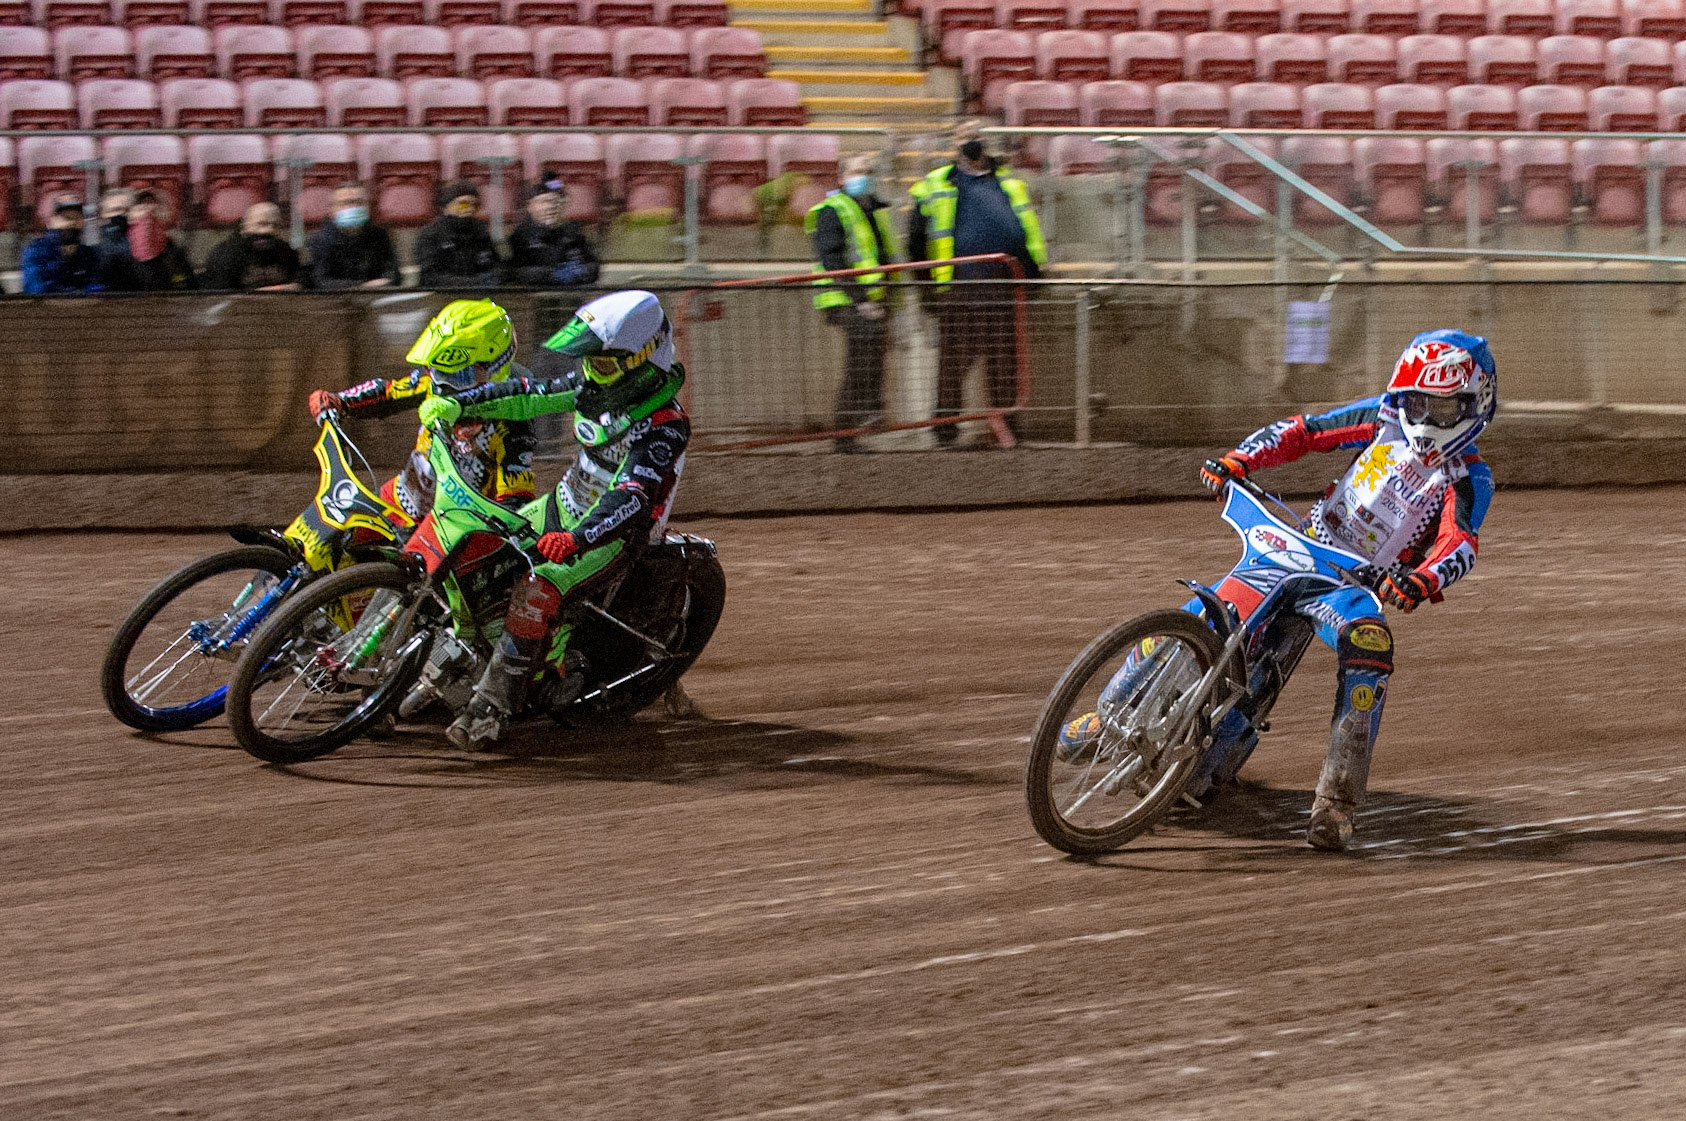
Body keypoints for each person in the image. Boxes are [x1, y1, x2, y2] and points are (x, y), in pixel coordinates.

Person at [1195, 329, 1498, 851]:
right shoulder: (1382, 418)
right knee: (1212, 614)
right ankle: (1114, 704)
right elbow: (1306, 431)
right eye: (1419, 403)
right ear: (1402, 397)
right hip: (1298, 542)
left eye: (1444, 410)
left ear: (1475, 406)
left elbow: (1460, 543)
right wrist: (1240, 459)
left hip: (1352, 582)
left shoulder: (1470, 477)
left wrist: (1421, 579)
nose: (1427, 419)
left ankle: (1336, 804)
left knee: (1370, 646)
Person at [411, 290, 688, 750]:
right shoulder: (590, 385)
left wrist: (577, 538)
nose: (589, 373)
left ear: (640, 360)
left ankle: (491, 709)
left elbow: (633, 496)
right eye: (590, 363)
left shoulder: (664, 424)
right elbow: (526, 396)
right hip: (561, 504)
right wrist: (463, 405)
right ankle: (456, 652)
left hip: (611, 535)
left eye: (601, 364)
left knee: (535, 589)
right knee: (481, 545)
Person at [306, 299, 537, 523]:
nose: (442, 384)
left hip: (455, 524)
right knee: (341, 531)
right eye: (436, 371)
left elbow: (516, 497)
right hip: (406, 495)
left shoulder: (513, 414)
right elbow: (389, 393)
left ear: (495, 367)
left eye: (459, 375)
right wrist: (339, 401)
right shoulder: (434, 383)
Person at [906, 119, 1047, 449]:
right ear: (954, 143)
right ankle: (944, 431)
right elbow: (915, 242)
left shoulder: (1010, 183)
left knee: (1004, 365)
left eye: (976, 136)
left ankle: (1007, 429)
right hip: (959, 290)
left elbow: (1026, 233)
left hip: (1002, 288)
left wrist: (1034, 277)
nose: (972, 142)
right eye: (965, 136)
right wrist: (928, 291)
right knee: (953, 365)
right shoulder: (934, 184)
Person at [806, 154, 899, 454]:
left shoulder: (872, 210)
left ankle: (863, 416)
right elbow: (834, 260)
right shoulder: (831, 210)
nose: (865, 176)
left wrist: (885, 297)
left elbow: (882, 256)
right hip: (845, 297)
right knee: (861, 355)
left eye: (869, 171)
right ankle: (848, 429)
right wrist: (861, 301)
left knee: (869, 353)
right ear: (842, 176)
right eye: (859, 171)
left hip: (871, 298)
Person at [504, 172, 600, 288]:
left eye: (556, 202)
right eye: (544, 202)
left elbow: (592, 267)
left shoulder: (574, 232)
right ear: (530, 206)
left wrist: (580, 271)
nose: (551, 207)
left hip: (571, 296)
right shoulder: (520, 236)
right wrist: (553, 274)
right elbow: (514, 273)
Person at [94, 188, 196, 292]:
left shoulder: (170, 250)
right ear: (101, 217)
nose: (122, 215)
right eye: (114, 210)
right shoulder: (97, 255)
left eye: (127, 210)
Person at [308, 182, 401, 290]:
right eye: (345, 203)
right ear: (332, 210)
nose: (353, 207)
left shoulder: (379, 235)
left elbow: (393, 274)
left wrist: (387, 281)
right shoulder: (321, 239)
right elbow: (320, 282)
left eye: (359, 202)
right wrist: (362, 287)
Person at [415, 181, 502, 289]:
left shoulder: (481, 234)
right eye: (463, 204)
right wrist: (474, 283)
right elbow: (430, 278)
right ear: (447, 207)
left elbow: (497, 266)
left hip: (480, 296)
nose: (470, 208)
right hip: (443, 297)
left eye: (475, 205)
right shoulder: (432, 235)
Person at [203, 202, 302, 291]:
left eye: (275, 225)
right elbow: (219, 299)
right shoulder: (224, 255)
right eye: (261, 224)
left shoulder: (287, 252)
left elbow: (299, 285)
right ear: (244, 227)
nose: (268, 230)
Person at [20, 194, 103, 294]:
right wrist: (74, 294)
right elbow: (36, 287)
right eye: (66, 218)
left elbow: (96, 286)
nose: (71, 223)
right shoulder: (36, 251)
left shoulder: (88, 253)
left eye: (76, 217)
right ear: (50, 222)